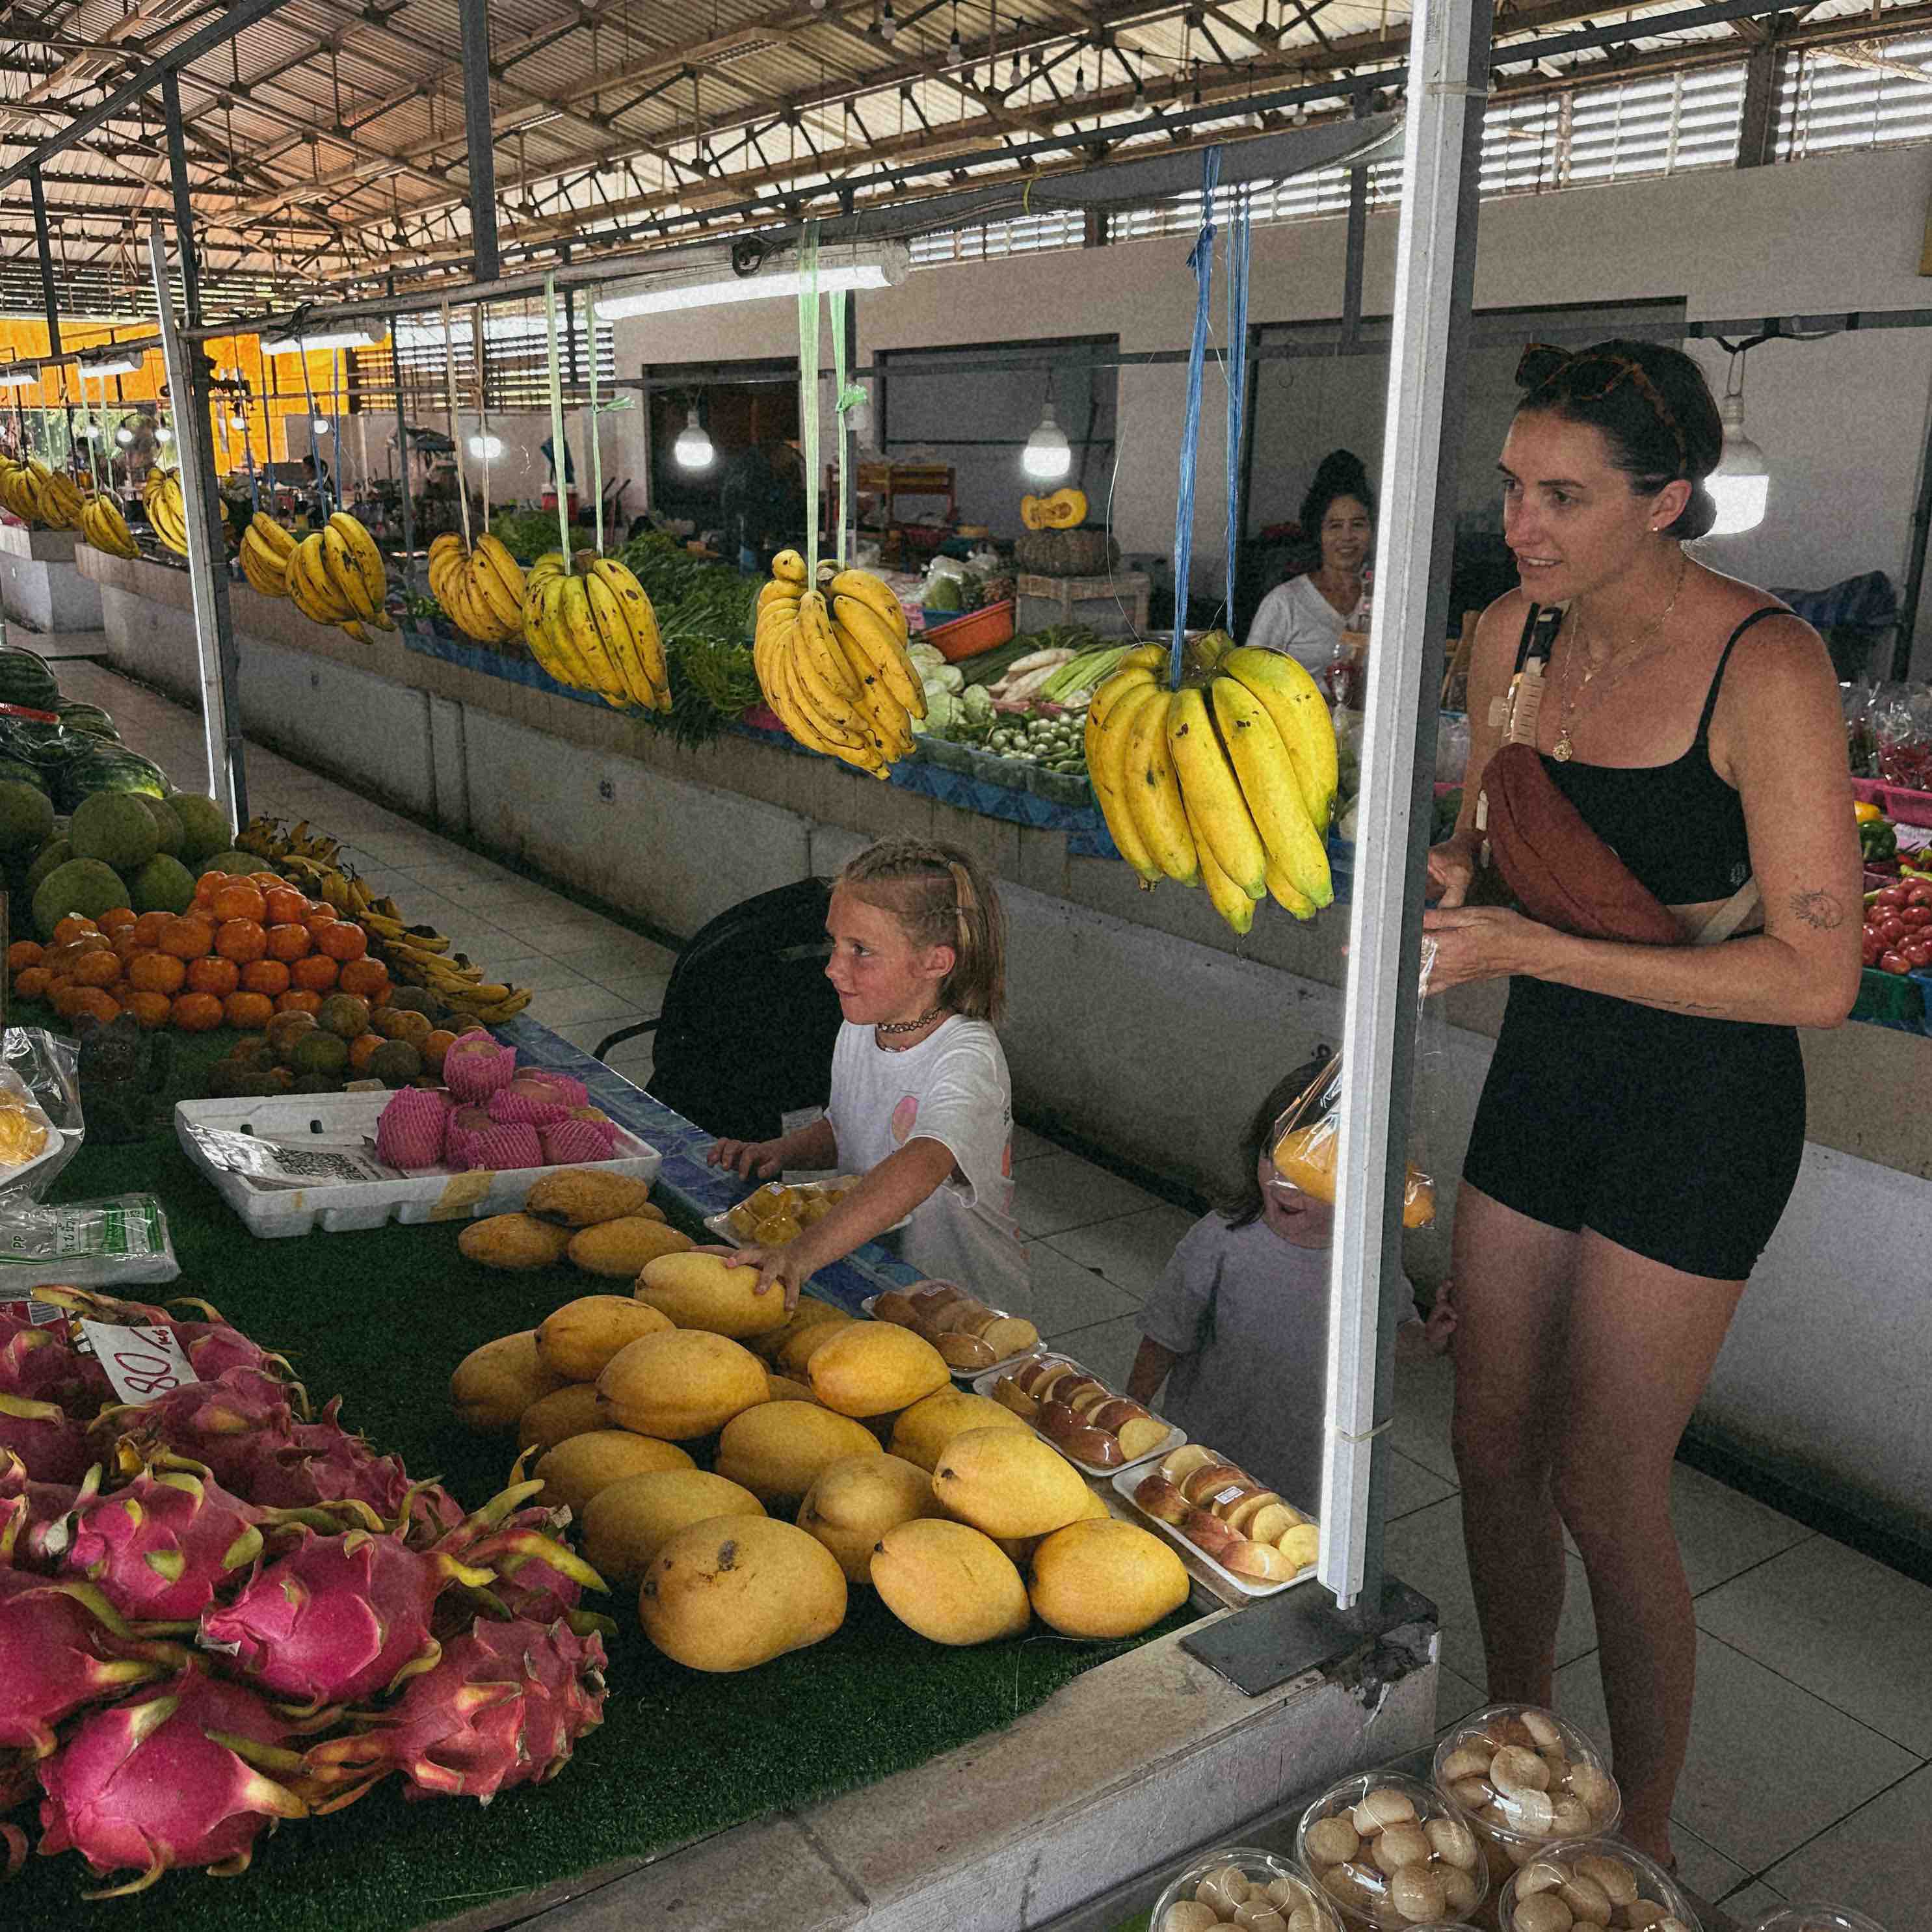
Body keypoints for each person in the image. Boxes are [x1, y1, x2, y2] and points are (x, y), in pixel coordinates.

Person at [1422, 338, 1860, 1867]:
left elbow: (1817, 976)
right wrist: (1460, 871)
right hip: (1550, 1070)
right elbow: (1490, 827)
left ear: (1666, 500)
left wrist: (1525, 948)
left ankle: (1640, 1847)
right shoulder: (1509, 634)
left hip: (1700, 1103)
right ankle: (1517, 1755)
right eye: (1510, 488)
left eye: (1563, 497)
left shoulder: (1766, 666)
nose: (1520, 525)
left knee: (1608, 1490)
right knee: (1489, 1442)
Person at [706, 838, 1025, 1311]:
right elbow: (848, 1128)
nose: (833, 968)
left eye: (860, 950)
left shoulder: (968, 1057)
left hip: (958, 1303)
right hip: (875, 1277)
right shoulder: (862, 1027)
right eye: (834, 943)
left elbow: (922, 1162)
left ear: (935, 962)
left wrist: (801, 1254)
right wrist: (778, 1151)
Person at [1124, 1057, 1336, 1503]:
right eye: (1272, 1155)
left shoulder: (1366, 1262)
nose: (1282, 1181)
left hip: (1304, 1472)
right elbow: (1163, 1335)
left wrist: (1434, 1337)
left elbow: (1392, 1338)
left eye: (1309, 1169)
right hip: (1203, 1455)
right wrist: (1131, 1410)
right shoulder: (1221, 1240)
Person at [1246, 450, 1375, 674]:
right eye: (1335, 526)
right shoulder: (1284, 603)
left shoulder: (1381, 599)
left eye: (1358, 524)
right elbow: (1249, 678)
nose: (1347, 537)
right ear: (1318, 533)